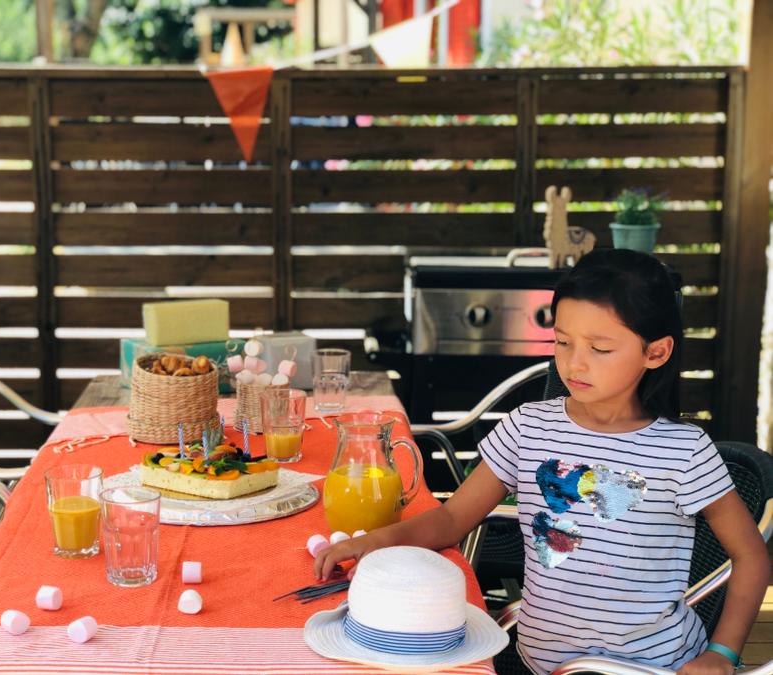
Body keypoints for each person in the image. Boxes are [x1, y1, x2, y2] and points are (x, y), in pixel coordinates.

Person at [316, 248, 770, 675]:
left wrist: (723, 653)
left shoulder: (685, 450)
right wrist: (375, 542)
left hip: (647, 668)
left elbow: (751, 556)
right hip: (538, 663)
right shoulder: (528, 427)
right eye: (563, 342)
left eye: (600, 349)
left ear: (656, 352)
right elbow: (453, 518)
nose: (574, 364)